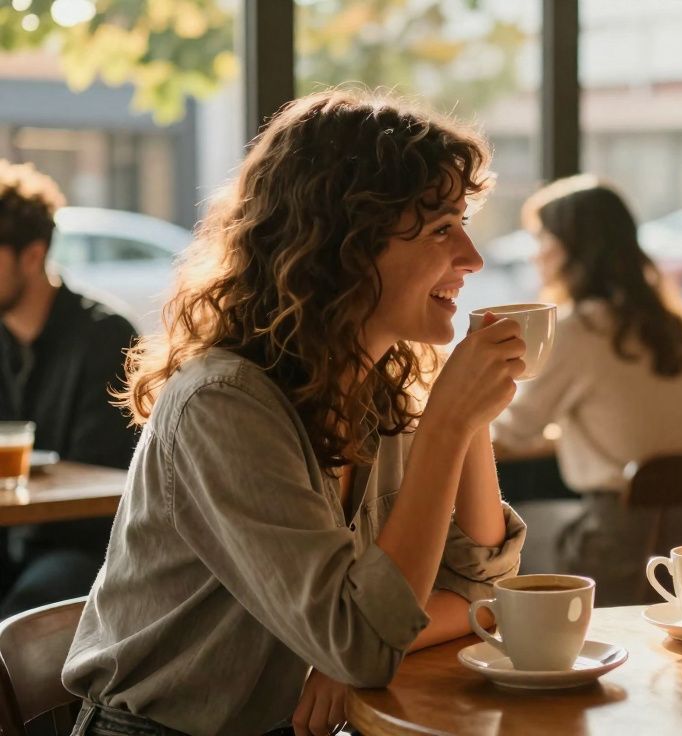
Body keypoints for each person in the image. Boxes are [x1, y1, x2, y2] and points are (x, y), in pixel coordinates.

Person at [62, 90, 527, 736]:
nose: (473, 258)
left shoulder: (377, 391)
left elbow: (482, 595)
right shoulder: (222, 405)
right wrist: (448, 421)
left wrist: (468, 418)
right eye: (443, 227)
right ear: (347, 246)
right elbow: (365, 639)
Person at [492, 175, 682, 604]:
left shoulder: (578, 329)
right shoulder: (667, 323)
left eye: (542, 239)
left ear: (573, 248)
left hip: (617, 542)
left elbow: (511, 433)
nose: (535, 254)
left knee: (490, 539)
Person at [0, 160, 137, 618]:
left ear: (33, 256)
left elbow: (102, 475)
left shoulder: (107, 337)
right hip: (10, 539)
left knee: (22, 612)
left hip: (83, 546)